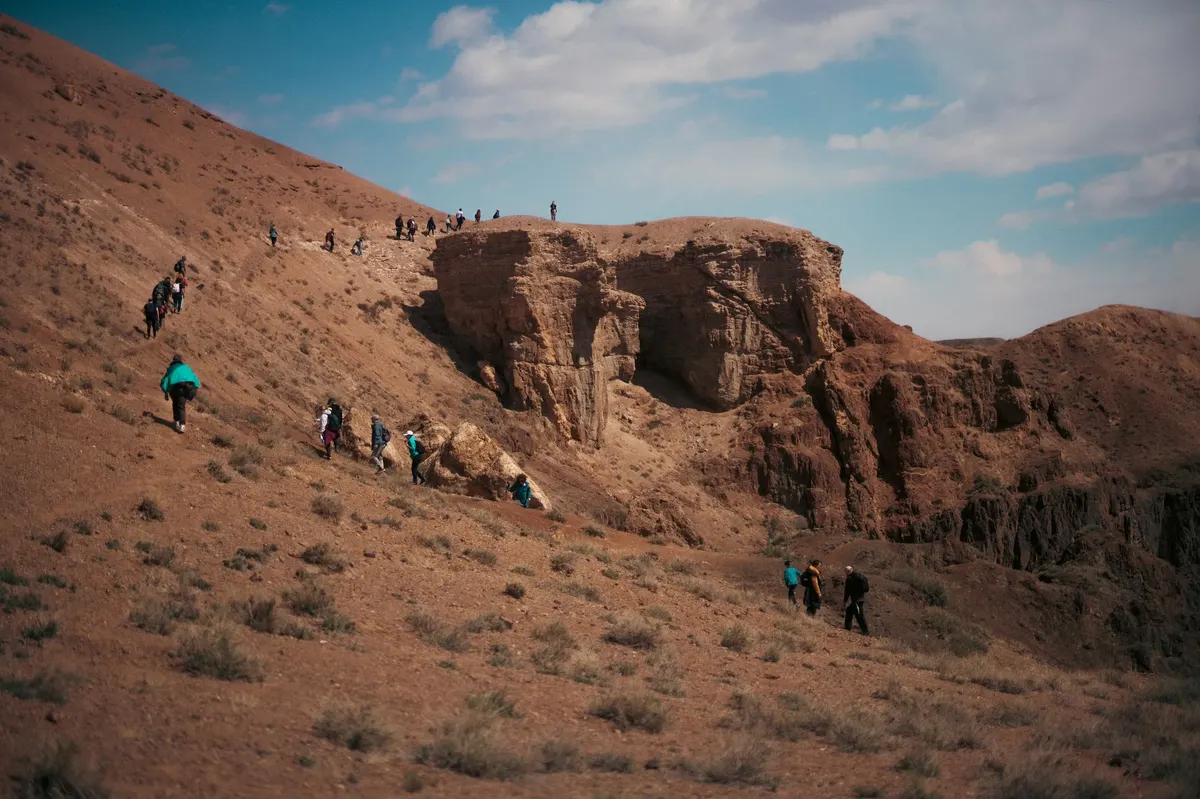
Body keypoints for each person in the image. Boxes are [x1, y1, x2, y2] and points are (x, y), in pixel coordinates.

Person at [160, 354, 200, 434]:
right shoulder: (186, 368)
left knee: (175, 404)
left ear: (173, 360)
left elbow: (164, 380)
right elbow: (194, 378)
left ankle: (177, 421)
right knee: (181, 406)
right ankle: (182, 425)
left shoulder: (170, 369)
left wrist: (166, 392)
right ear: (180, 360)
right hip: (184, 390)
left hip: (174, 390)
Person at [843, 566, 870, 635]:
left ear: (847, 571)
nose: (845, 573)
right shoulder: (860, 576)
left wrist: (845, 601)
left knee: (859, 615)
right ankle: (847, 628)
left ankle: (865, 632)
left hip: (856, 600)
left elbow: (847, 591)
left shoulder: (850, 579)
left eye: (845, 571)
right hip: (860, 598)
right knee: (849, 611)